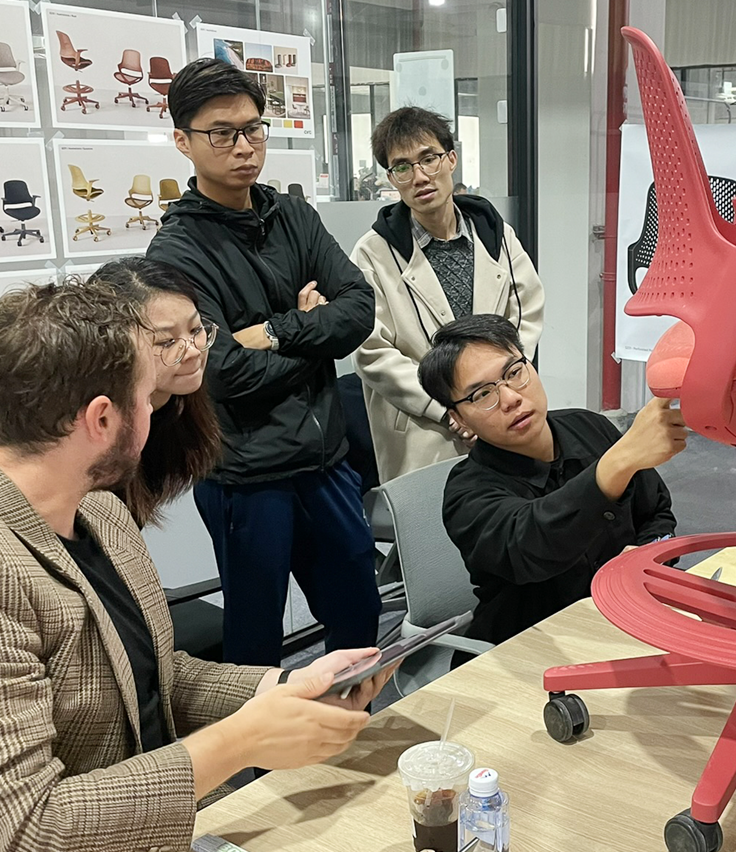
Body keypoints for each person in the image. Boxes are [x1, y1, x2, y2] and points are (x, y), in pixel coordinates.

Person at [0, 279, 394, 852]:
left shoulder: (101, 515)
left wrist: (285, 686)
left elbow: (155, 679)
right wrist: (241, 742)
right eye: (148, 396)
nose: (156, 414)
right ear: (102, 419)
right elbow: (24, 830)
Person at [147, 57, 382, 665]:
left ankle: (350, 747)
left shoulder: (294, 216)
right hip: (245, 479)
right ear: (183, 141)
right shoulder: (175, 251)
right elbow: (221, 372)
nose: (243, 146)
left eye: (253, 129)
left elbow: (359, 309)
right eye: (221, 133)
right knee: (255, 645)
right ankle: (265, 763)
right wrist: (315, 337)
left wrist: (274, 332)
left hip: (327, 462)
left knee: (358, 620)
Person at [418, 314, 685, 647]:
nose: (511, 398)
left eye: (514, 373)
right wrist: (619, 462)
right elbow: (531, 544)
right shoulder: (466, 494)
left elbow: (657, 513)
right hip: (530, 648)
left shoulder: (590, 428)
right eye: (482, 394)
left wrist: (645, 559)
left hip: (628, 622)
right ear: (458, 418)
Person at [351, 106, 544, 483]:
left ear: (451, 159)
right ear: (392, 178)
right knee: (431, 531)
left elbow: (525, 314)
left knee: (512, 518)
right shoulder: (372, 253)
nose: (420, 176)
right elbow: (372, 351)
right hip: (427, 426)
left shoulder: (495, 235)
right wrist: (449, 407)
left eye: (429, 158)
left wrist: (491, 390)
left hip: (500, 409)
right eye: (403, 167)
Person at [89, 256, 221, 529]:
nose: (194, 350)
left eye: (196, 329)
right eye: (166, 341)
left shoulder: (175, 405)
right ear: (115, 347)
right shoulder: (95, 439)